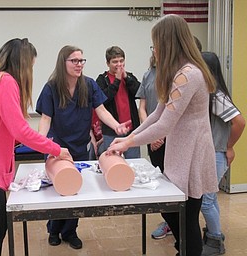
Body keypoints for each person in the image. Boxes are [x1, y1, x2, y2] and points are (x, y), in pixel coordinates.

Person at [106, 14, 219, 256]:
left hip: (192, 153)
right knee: (172, 211)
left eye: (155, 43)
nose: (154, 50)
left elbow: (164, 125)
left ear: (168, 43)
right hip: (182, 152)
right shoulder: (177, 73)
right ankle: (184, 249)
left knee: (186, 218)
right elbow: (157, 114)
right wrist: (127, 138)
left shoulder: (188, 74)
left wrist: (127, 144)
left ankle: (188, 251)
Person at [0, 38, 72, 256]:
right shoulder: (5, 81)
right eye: (30, 65)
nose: (30, 71)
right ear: (22, 63)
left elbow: (1, 129)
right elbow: (20, 129)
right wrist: (56, 149)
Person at [36, 45, 130, 250]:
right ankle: (53, 229)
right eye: (74, 61)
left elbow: (101, 110)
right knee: (59, 190)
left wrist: (116, 126)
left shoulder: (88, 85)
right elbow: (45, 118)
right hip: (58, 148)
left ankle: (70, 231)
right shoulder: (51, 87)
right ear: (63, 63)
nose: (79, 64)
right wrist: (41, 142)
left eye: (81, 61)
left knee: (75, 190)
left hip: (79, 146)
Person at [201, 51, 245, 256]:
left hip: (217, 153)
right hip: (213, 153)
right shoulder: (209, 93)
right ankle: (213, 234)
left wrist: (229, 146)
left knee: (206, 200)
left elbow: (240, 122)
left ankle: (216, 240)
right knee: (211, 198)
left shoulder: (216, 96)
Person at [137, 52, 172, 239]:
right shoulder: (148, 74)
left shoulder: (175, 74)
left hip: (170, 138)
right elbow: (143, 108)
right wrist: (150, 134)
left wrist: (161, 135)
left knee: (174, 183)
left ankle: (176, 224)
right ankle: (169, 221)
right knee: (160, 179)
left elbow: (172, 113)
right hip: (153, 138)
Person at [96, 46, 141, 159]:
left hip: (132, 130)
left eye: (121, 61)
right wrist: (117, 81)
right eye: (115, 62)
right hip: (111, 131)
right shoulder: (102, 79)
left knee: (134, 162)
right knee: (112, 162)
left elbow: (139, 93)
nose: (119, 64)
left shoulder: (129, 76)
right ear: (108, 63)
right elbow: (104, 100)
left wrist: (126, 78)